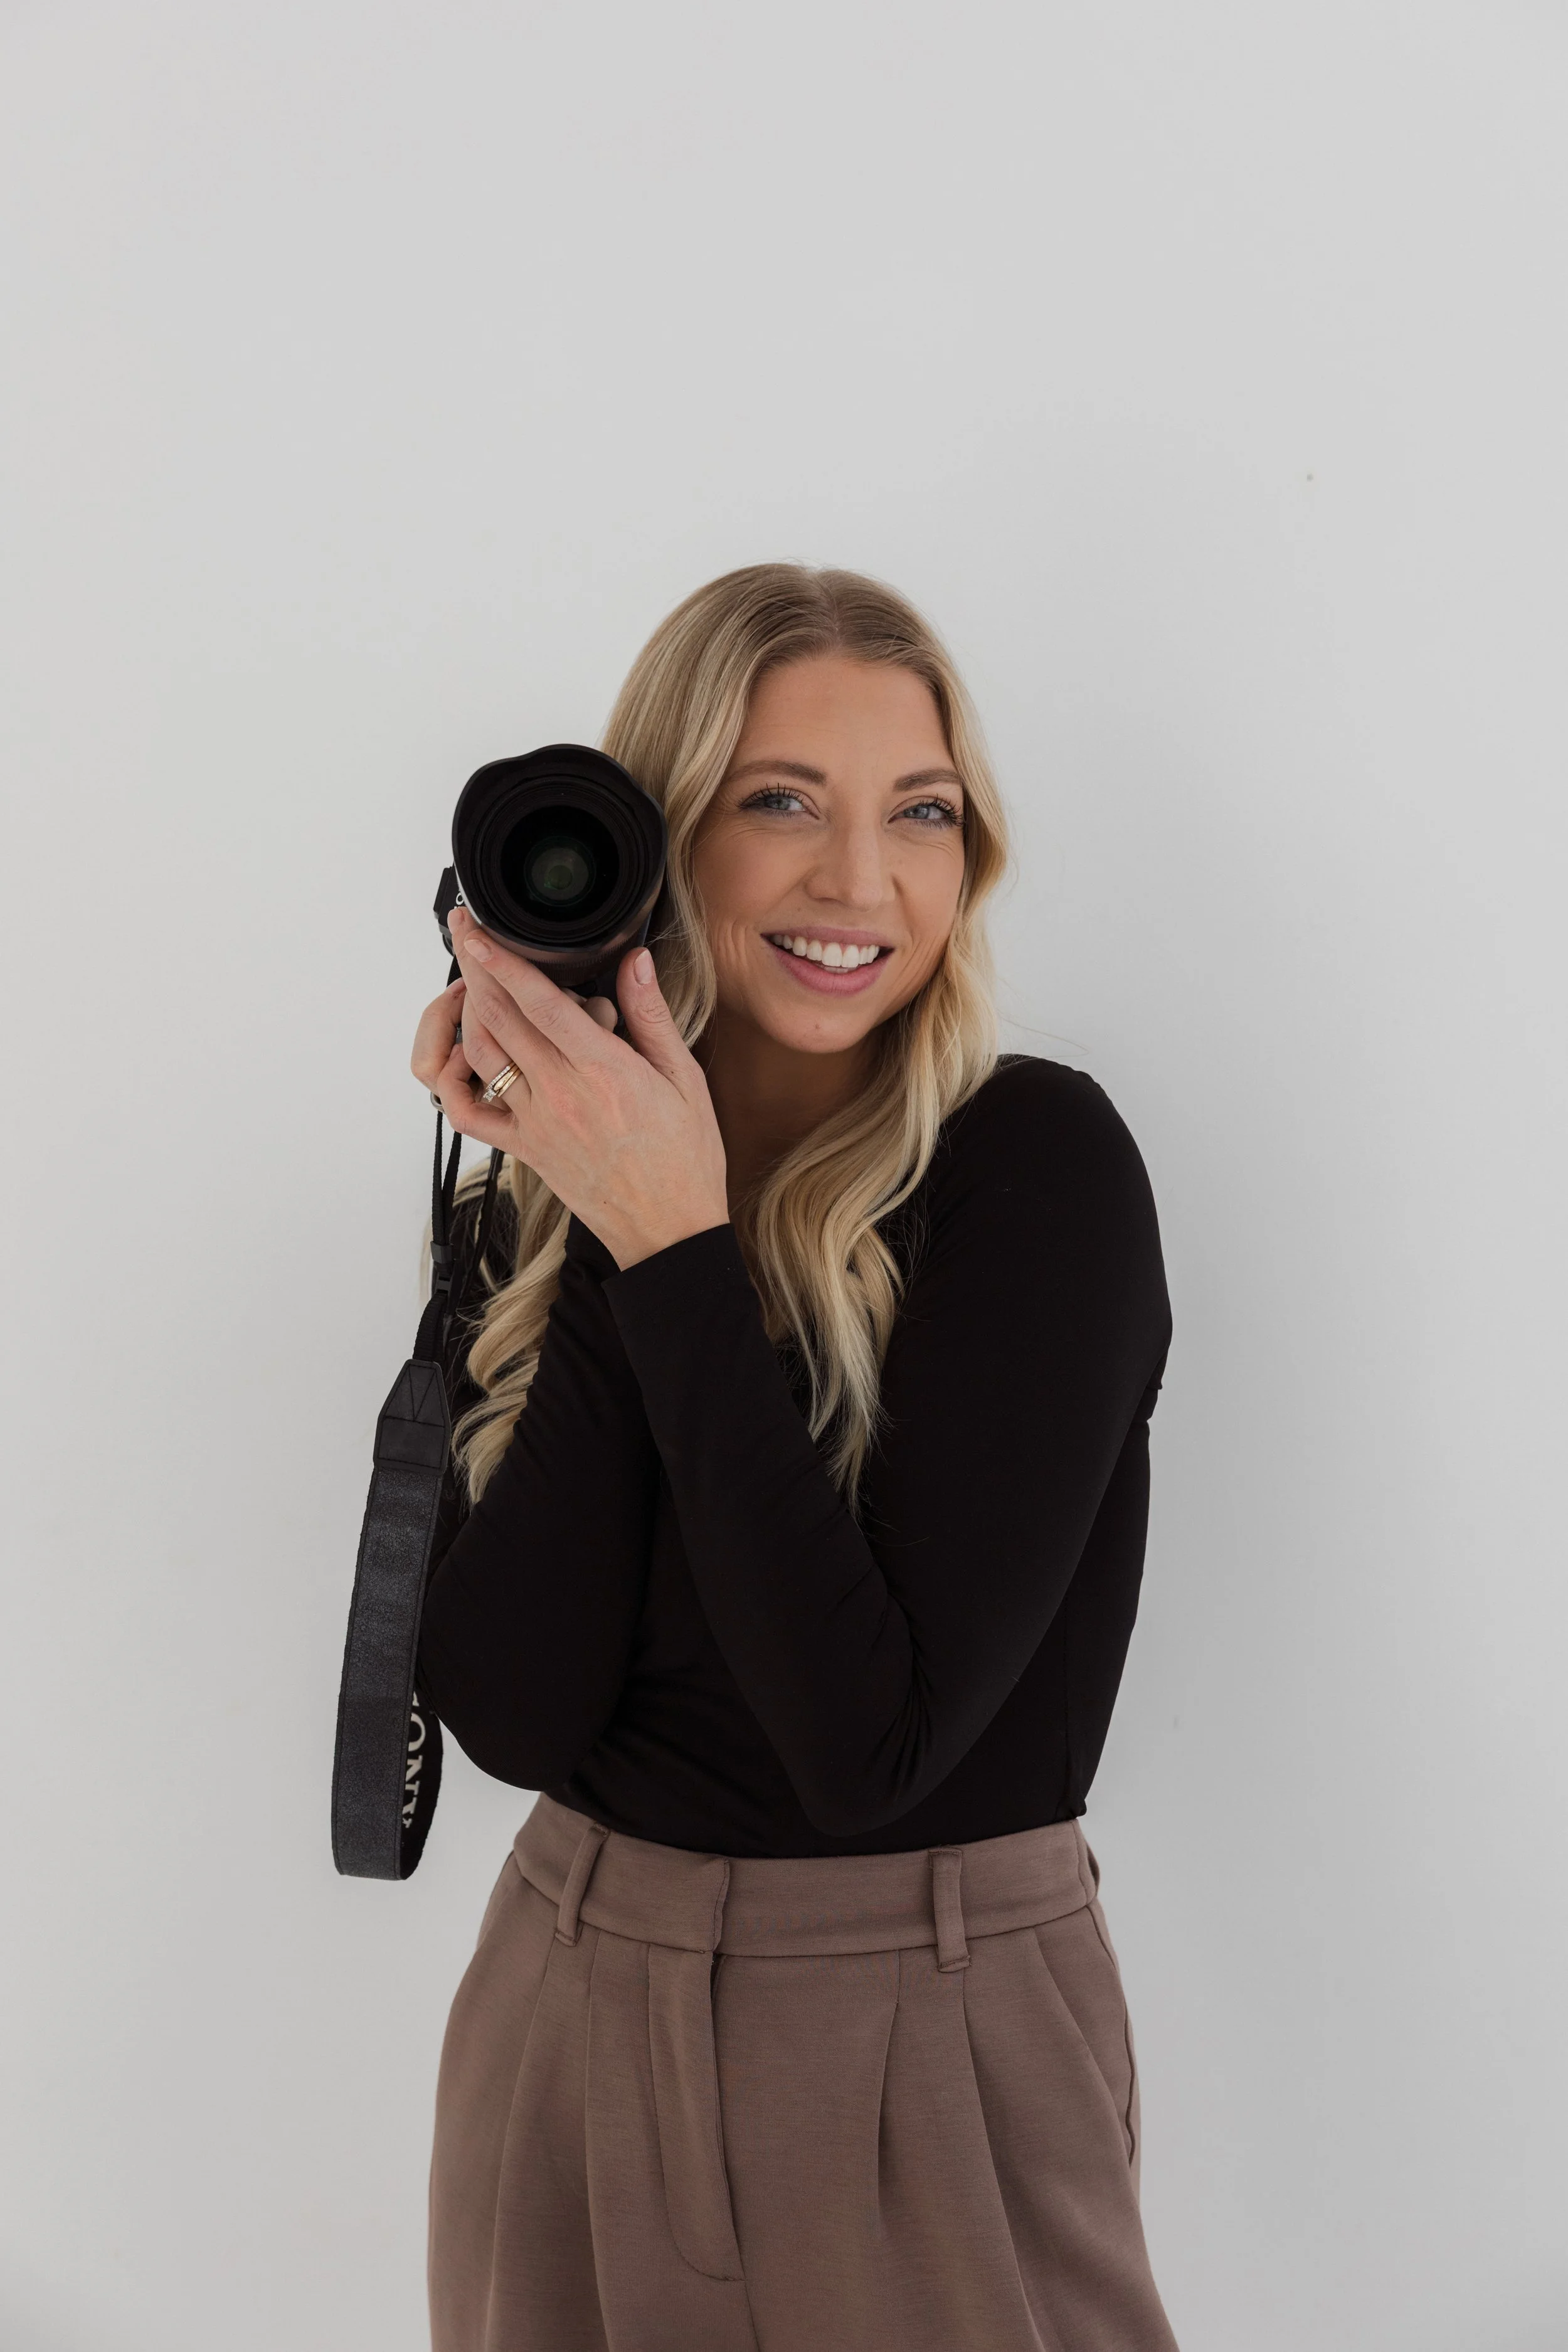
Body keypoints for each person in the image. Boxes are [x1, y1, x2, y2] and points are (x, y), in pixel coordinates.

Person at [409, 563, 1179, 2352]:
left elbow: (865, 1746)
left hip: (926, 2025)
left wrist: (677, 1251)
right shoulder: (550, 1202)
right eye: (778, 803)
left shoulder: (1035, 1174)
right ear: (655, 840)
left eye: (920, 810)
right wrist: (616, 1211)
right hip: (567, 1997)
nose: (858, 881)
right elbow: (516, 1716)